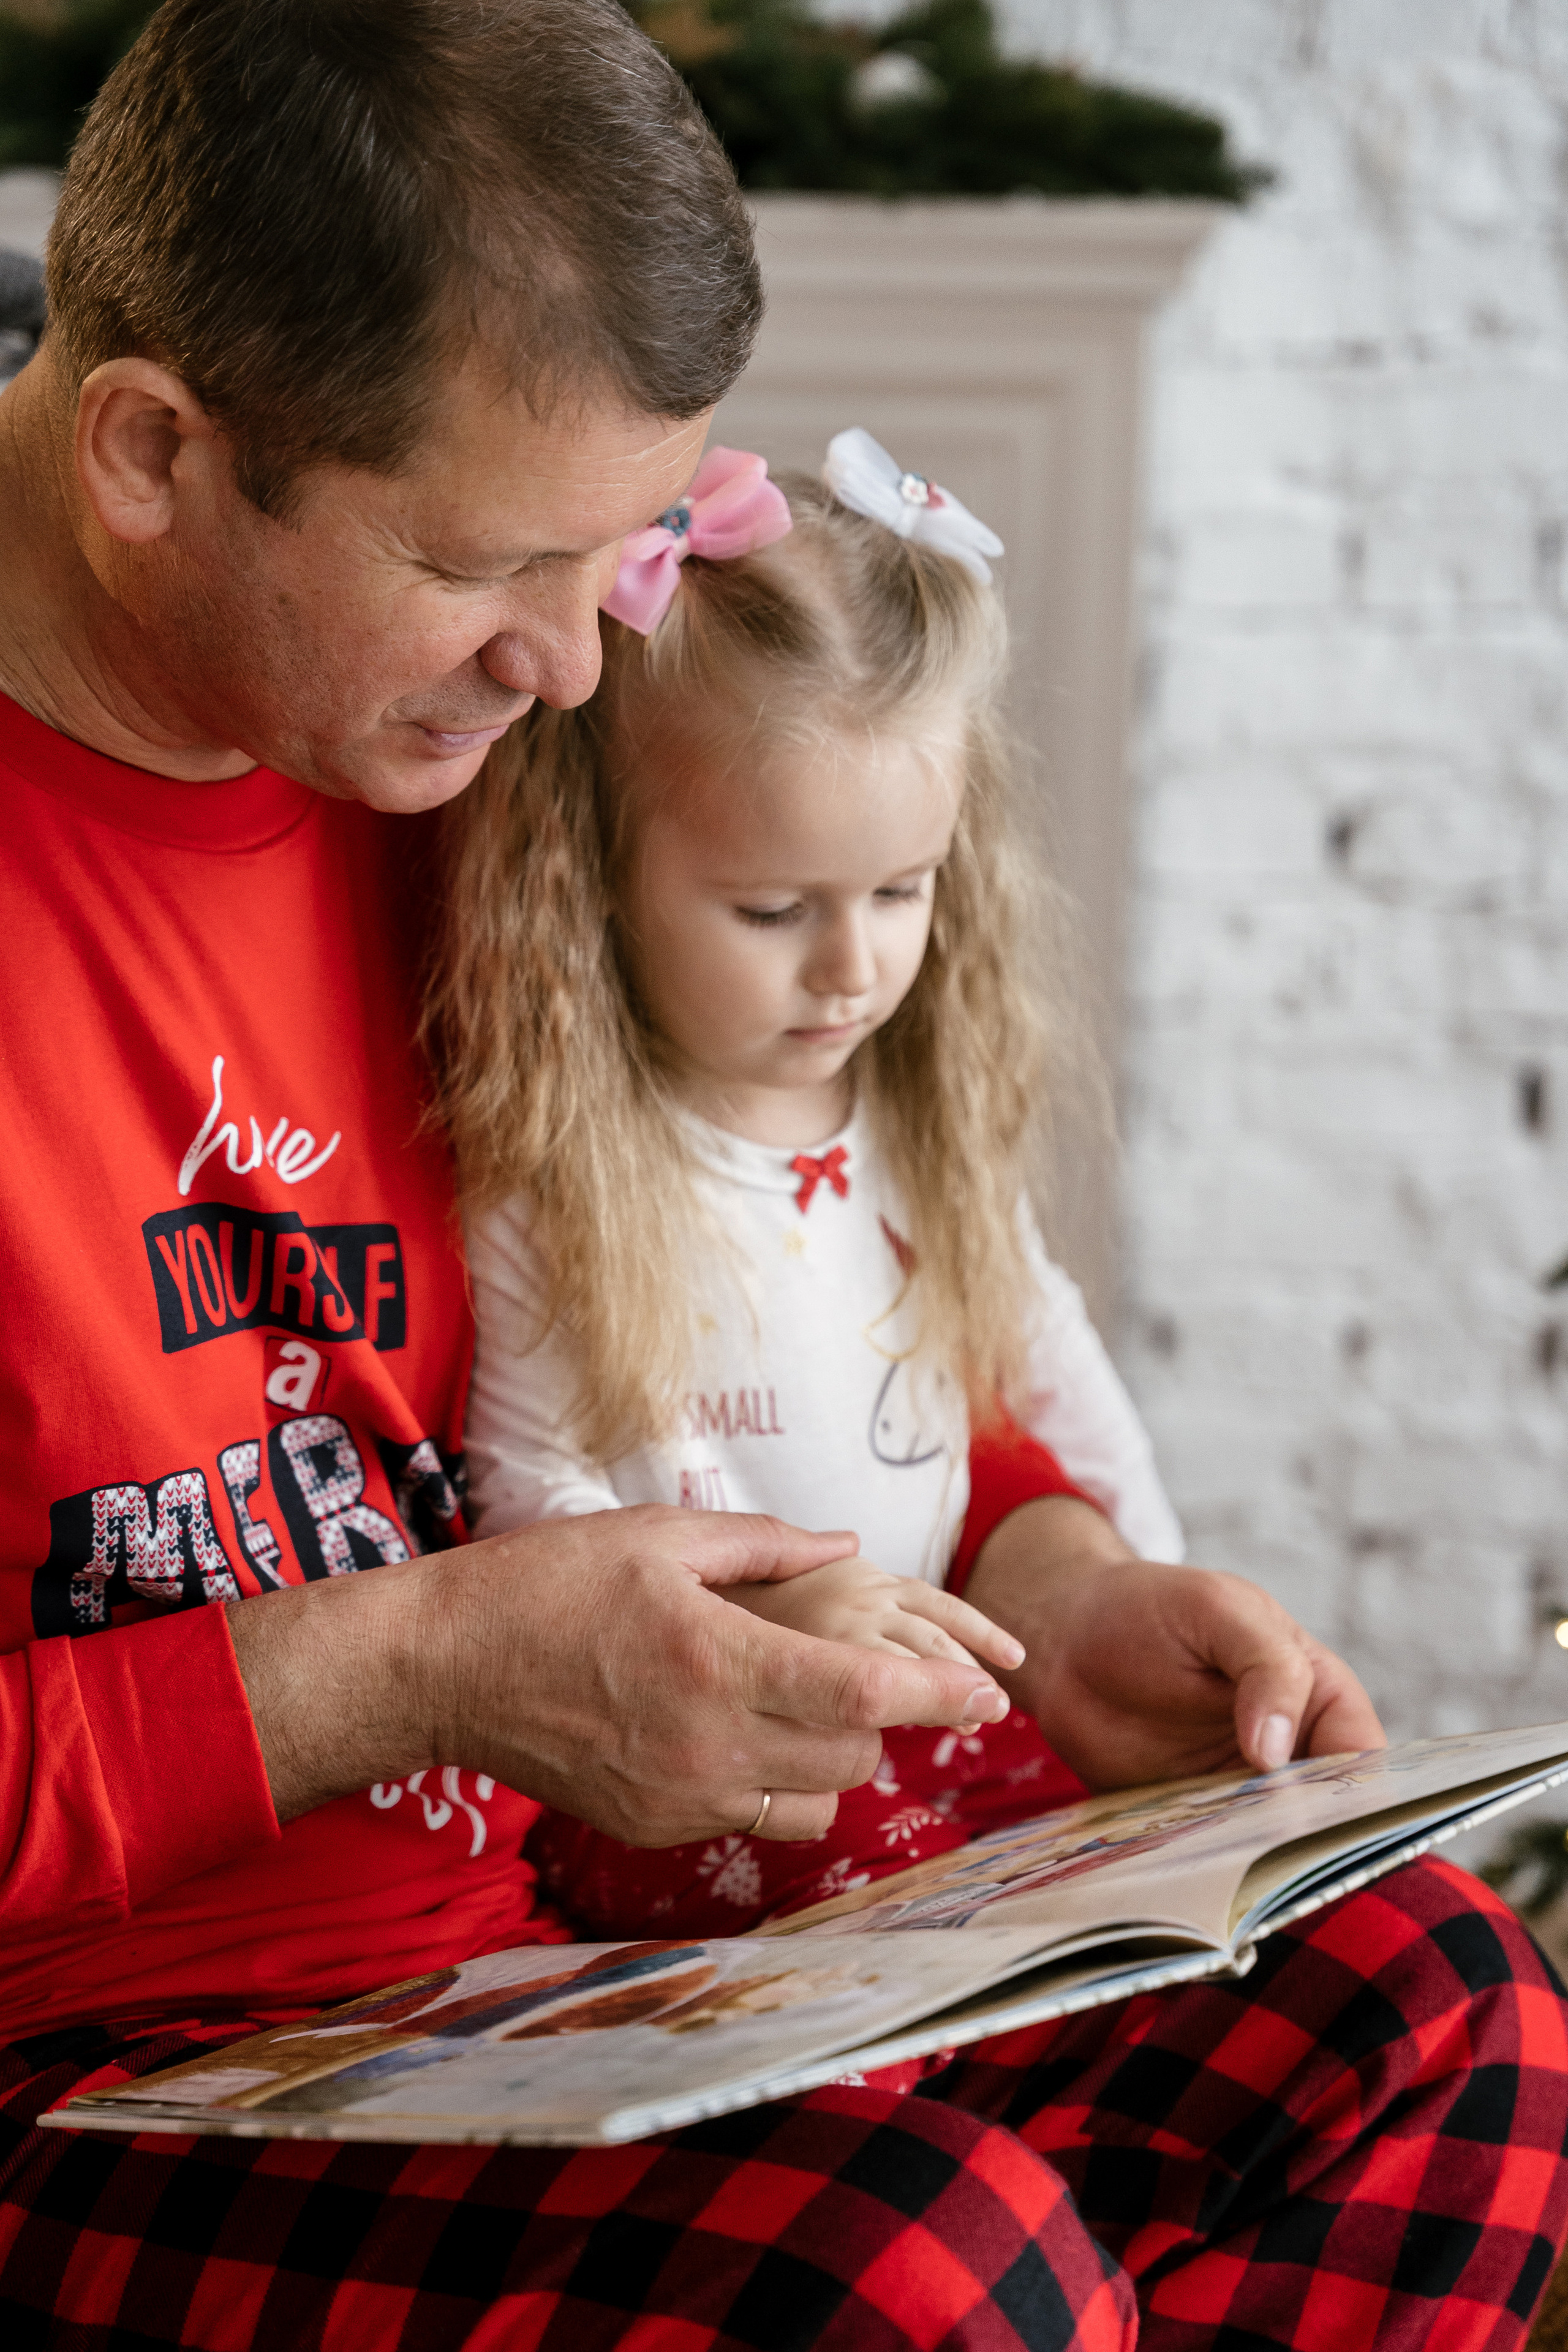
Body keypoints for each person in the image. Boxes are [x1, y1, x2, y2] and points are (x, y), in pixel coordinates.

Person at [0, 5, 1562, 2348]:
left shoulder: (460, 740)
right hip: (99, 2074)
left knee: (1435, 2008)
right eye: (491, 563)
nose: (567, 658)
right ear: (148, 449)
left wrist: (1050, 1577)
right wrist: (421, 1667)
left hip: (571, 1973)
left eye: (626, 550)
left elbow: (816, 1243)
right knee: (925, 2278)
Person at [447, 434, 1188, 1937]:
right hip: (716, 1773)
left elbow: (1044, 1368)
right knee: (928, 1935)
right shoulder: (562, 1171)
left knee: (1125, 1907)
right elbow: (528, 1505)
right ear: (594, 868)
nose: (853, 969)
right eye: (774, 909)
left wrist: (1135, 1579)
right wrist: (753, 1628)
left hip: (942, 1727)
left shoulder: (912, 1122)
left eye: (901, 892)